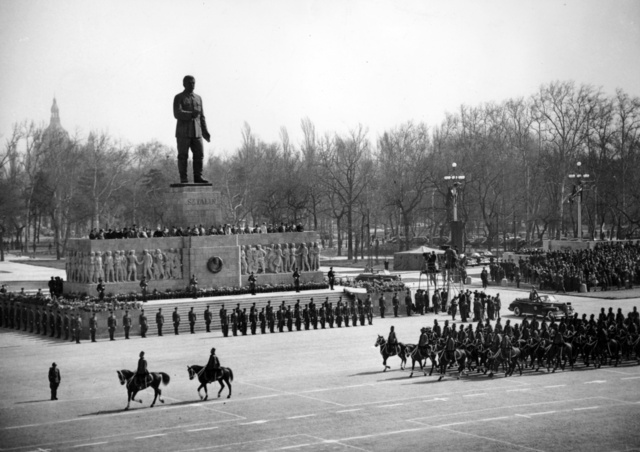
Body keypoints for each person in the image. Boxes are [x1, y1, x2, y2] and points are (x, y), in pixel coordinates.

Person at [173, 75, 210, 184]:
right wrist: (190, 114)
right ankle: (183, 178)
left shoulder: (198, 98)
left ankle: (198, 177)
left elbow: (202, 116)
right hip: (183, 132)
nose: (192, 85)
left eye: (193, 82)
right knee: (183, 156)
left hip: (197, 132)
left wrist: (205, 131)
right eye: (189, 83)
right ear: (184, 84)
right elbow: (177, 113)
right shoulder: (179, 97)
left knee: (199, 155)